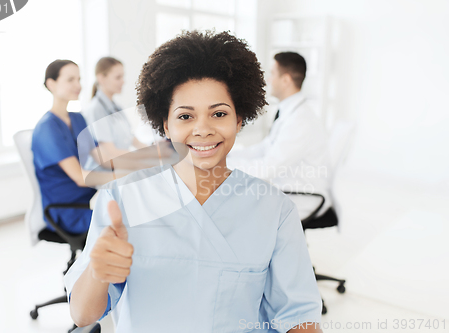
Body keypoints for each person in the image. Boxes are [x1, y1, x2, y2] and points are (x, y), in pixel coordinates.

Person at [65, 31, 323, 332]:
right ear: (165, 124)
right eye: (185, 117)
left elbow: (299, 318)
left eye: (219, 113)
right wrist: (98, 272)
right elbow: (82, 316)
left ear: (239, 120)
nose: (202, 129)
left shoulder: (275, 211)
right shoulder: (122, 199)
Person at [228, 52, 332, 220]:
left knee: (231, 206)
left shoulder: (300, 121)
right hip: (289, 189)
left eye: (272, 74)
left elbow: (267, 168)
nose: (269, 80)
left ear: (286, 80)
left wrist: (224, 165)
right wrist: (228, 155)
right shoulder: (290, 112)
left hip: (302, 196)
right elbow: (264, 148)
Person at [31, 60, 114, 235]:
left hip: (87, 200)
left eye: (79, 79)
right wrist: (120, 177)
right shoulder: (47, 128)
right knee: (129, 223)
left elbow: (101, 157)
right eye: (70, 80)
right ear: (51, 84)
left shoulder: (78, 119)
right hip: (67, 211)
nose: (78, 85)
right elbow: (79, 177)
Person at [82, 57, 149, 169]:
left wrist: (152, 151)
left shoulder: (116, 107)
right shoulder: (95, 110)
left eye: (123, 76)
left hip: (121, 167)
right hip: (105, 174)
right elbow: (109, 151)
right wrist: (144, 156)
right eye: (118, 77)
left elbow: (132, 139)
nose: (123, 81)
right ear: (101, 78)